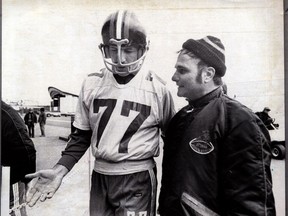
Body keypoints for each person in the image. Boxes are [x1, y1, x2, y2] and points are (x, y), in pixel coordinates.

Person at [25, 10, 175, 216]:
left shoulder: (158, 89)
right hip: (100, 175)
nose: (119, 58)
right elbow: (81, 136)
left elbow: (172, 144)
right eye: (113, 48)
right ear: (104, 48)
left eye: (128, 49)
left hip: (137, 177)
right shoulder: (92, 83)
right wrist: (60, 169)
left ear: (142, 49)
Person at [158, 36, 276, 215]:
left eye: (182, 71)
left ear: (208, 74)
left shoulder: (240, 121)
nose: (174, 77)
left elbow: (252, 204)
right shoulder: (179, 119)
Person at [1, 101, 37, 215]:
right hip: (10, 173)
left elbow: (26, 148)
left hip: (13, 176)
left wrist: (25, 178)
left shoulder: (6, 113)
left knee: (14, 208)